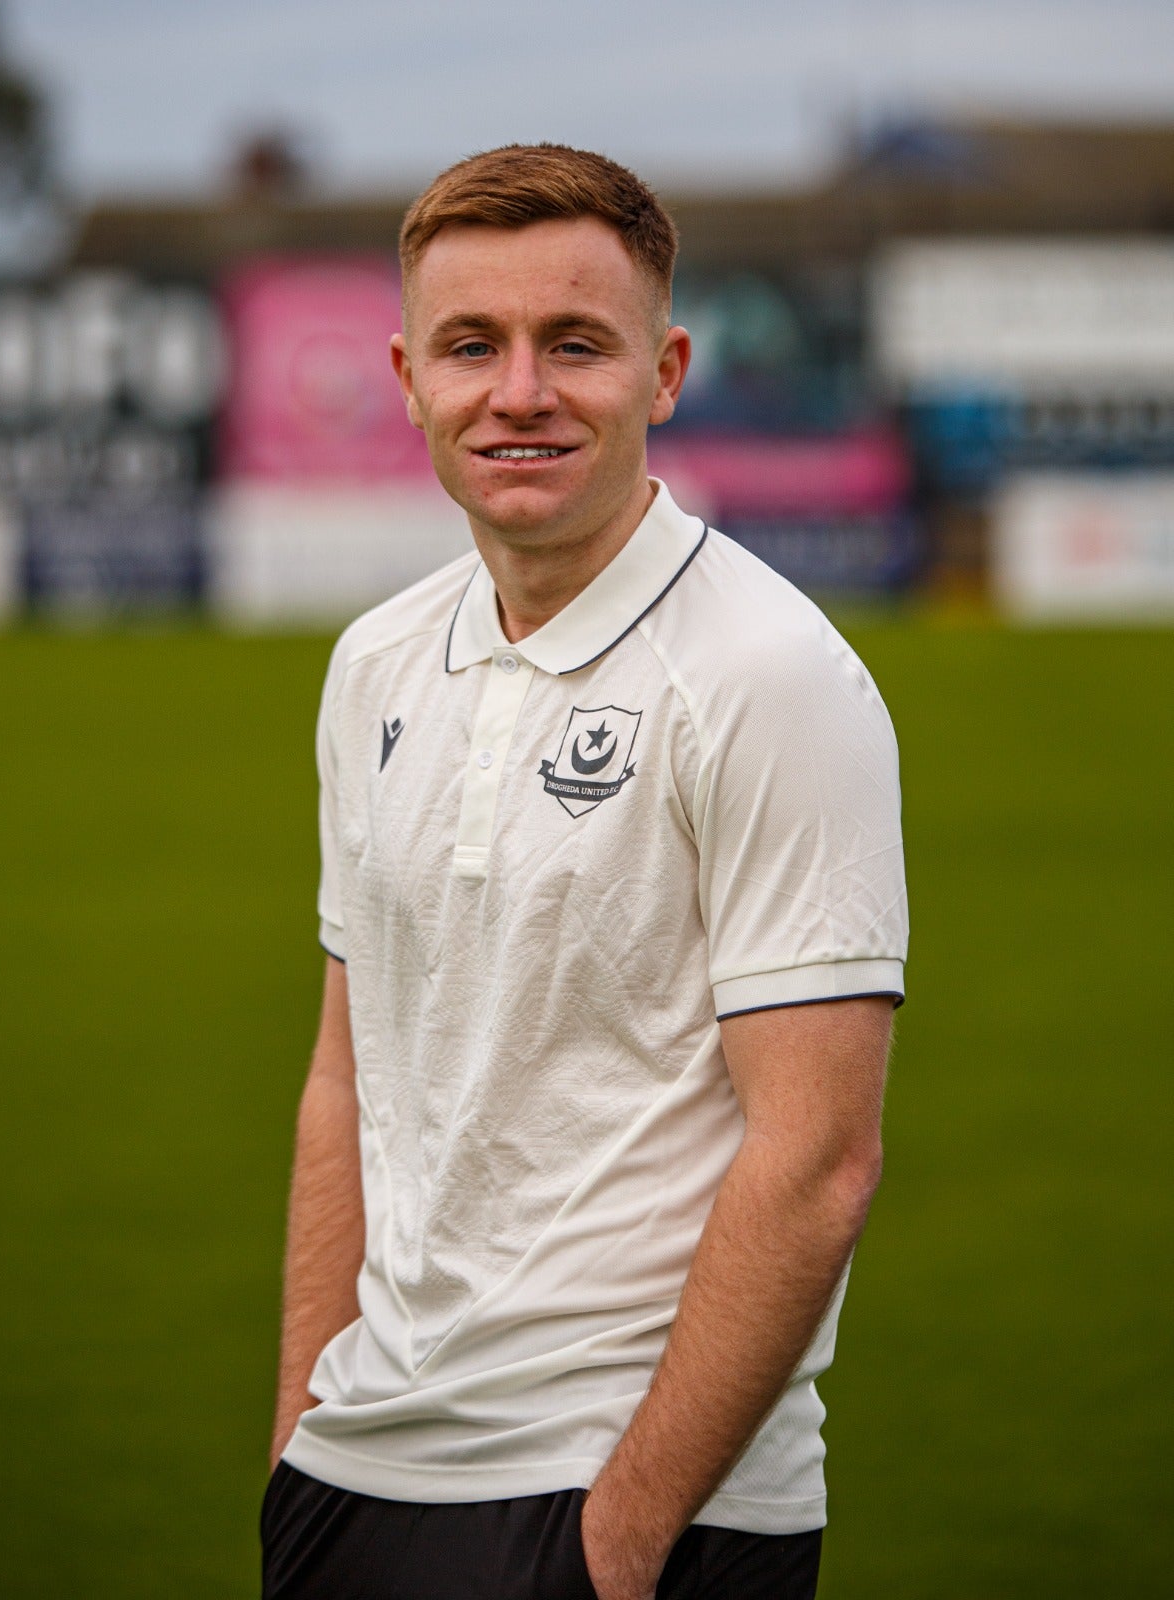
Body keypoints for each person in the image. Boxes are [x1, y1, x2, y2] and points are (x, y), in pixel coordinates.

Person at [261, 144, 908, 1600]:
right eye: (471, 347)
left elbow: (816, 1162)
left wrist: (618, 1544)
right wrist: (301, 1430)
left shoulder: (769, 674)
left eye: (577, 345)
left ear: (667, 370)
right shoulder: (372, 663)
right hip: (358, 1476)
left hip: (632, 1500)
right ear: (408, 376)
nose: (520, 392)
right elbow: (345, 1079)